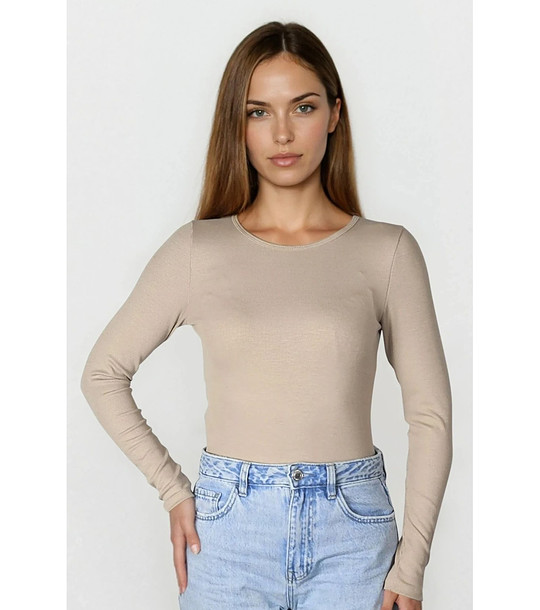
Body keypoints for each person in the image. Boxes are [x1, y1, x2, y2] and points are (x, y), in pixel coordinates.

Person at [80, 21, 452, 610]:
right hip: (227, 533)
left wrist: (412, 567)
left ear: (334, 113)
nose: (282, 132)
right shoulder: (198, 250)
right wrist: (173, 491)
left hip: (352, 537)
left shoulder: (388, 251)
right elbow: (102, 374)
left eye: (302, 107)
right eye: (258, 112)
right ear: (238, 124)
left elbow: (429, 416)